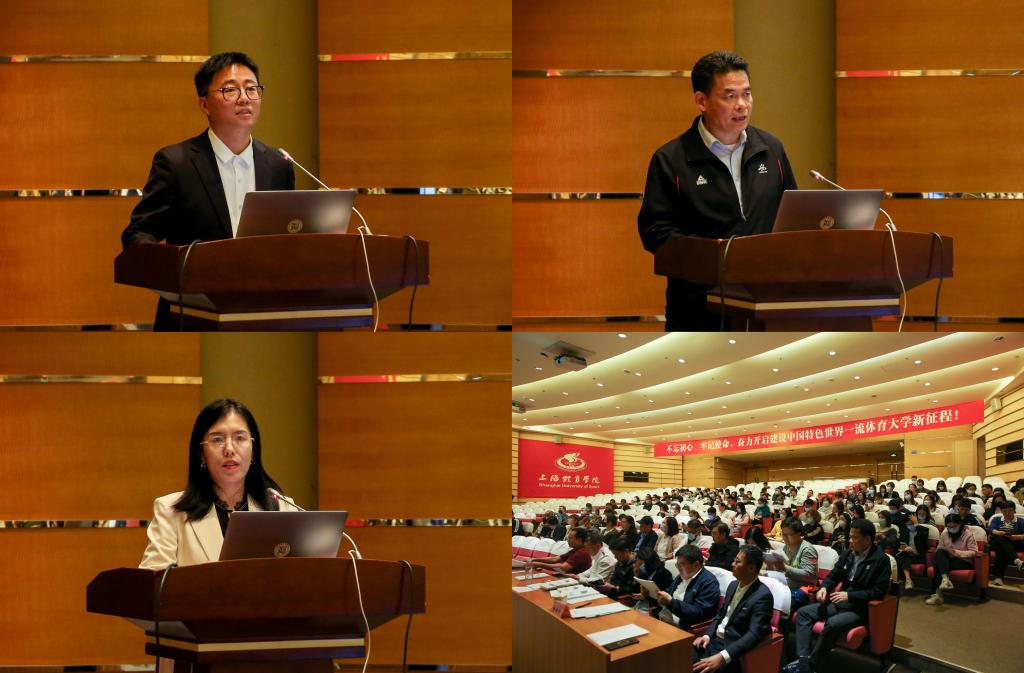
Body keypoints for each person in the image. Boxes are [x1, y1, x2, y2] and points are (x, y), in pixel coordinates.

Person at [121, 52, 296, 330]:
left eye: (252, 89)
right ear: (204, 104)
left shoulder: (278, 164)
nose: (244, 98)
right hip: (192, 315)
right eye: (230, 90)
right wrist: (174, 271)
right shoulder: (176, 163)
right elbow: (138, 233)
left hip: (262, 317)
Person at [637, 50, 797, 331]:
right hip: (699, 308)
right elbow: (655, 232)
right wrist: (715, 258)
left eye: (747, 94)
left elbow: (792, 216)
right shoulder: (671, 160)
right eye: (730, 96)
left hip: (765, 302)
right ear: (701, 101)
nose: (742, 105)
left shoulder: (771, 150)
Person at [140, 398, 296, 569]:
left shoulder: (283, 509)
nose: (229, 449)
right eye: (217, 440)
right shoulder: (171, 512)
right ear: (201, 454)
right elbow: (154, 581)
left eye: (240, 438)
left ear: (253, 451)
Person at [783, 519, 891, 673]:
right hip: (839, 603)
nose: (850, 541)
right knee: (803, 613)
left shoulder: (881, 560)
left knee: (832, 624)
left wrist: (850, 596)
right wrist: (825, 588)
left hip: (859, 608)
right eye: (850, 537)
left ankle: (813, 664)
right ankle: (803, 660)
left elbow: (878, 591)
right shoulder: (848, 553)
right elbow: (834, 575)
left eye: (854, 538)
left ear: (867, 539)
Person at [691, 545, 774, 673]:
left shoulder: (762, 596)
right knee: (679, 658)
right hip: (713, 641)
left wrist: (723, 657)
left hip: (732, 649)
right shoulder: (733, 585)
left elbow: (754, 634)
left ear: (751, 568)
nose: (732, 564)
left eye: (737, 561)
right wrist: (707, 635)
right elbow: (720, 615)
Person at [656, 544, 721, 630]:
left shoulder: (709, 582)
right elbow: (669, 593)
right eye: (677, 565)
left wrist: (671, 603)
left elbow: (698, 613)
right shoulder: (681, 576)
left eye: (682, 565)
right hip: (665, 621)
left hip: (684, 629)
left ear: (696, 565)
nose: (678, 568)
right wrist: (653, 593)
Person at [925, 514, 978, 605]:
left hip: (964, 561)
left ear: (960, 524)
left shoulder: (968, 534)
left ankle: (938, 595)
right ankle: (945, 580)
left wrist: (955, 552)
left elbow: (974, 552)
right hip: (948, 559)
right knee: (939, 552)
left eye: (954, 526)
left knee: (938, 565)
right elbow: (940, 548)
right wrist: (948, 552)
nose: (951, 529)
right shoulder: (945, 533)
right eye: (949, 527)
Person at [765, 517, 818, 610]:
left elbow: (809, 575)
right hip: (786, 585)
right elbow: (781, 570)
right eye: (783, 534)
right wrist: (770, 565)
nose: (784, 538)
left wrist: (785, 568)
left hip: (802, 588)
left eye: (789, 535)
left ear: (799, 533)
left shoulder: (807, 549)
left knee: (773, 602)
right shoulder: (786, 547)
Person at [987, 501, 1024, 586]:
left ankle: (998, 577)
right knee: (1001, 538)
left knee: (1001, 548)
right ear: (1001, 511)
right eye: (1005, 511)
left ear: (1014, 510)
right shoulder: (997, 519)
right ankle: (1016, 560)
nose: (1007, 513)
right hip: (998, 542)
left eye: (1010, 510)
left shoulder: (1021, 521)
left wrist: (1017, 537)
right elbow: (990, 529)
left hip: (1015, 544)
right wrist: (1000, 533)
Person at [635, 547, 674, 613]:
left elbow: (666, 597)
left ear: (649, 562)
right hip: (644, 604)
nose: (641, 567)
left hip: (656, 608)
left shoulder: (664, 574)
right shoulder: (644, 573)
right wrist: (643, 595)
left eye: (642, 564)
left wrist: (646, 596)